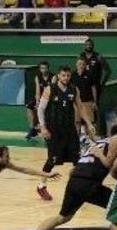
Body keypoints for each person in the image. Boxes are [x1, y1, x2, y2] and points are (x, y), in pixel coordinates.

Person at [16, 126, 117, 230]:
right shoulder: (115, 146)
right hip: (89, 183)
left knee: (63, 217)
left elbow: (73, 170)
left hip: (74, 180)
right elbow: (114, 171)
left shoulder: (98, 144)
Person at [37, 66, 94, 201]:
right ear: (58, 75)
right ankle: (41, 186)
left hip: (69, 129)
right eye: (63, 75)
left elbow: (80, 107)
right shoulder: (50, 89)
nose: (66, 78)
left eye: (68, 75)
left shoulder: (74, 90)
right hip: (53, 130)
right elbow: (40, 109)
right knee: (52, 160)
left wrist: (89, 123)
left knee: (77, 160)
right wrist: (43, 128)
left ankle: (77, 188)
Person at [71, 56, 97, 142]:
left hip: (88, 103)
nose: (81, 66)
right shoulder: (72, 75)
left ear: (85, 65)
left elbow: (93, 88)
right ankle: (76, 144)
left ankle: (93, 143)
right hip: (76, 104)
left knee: (89, 123)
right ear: (76, 64)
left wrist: (94, 102)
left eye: (83, 64)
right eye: (79, 64)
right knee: (76, 124)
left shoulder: (90, 74)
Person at [29, 61, 53, 140]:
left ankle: (45, 128)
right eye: (42, 68)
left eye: (45, 68)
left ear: (48, 69)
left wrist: (43, 102)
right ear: (40, 69)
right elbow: (37, 91)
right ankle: (32, 129)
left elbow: (52, 90)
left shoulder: (53, 77)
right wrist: (37, 102)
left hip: (50, 98)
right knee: (29, 106)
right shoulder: (37, 77)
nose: (44, 70)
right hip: (41, 98)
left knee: (45, 108)